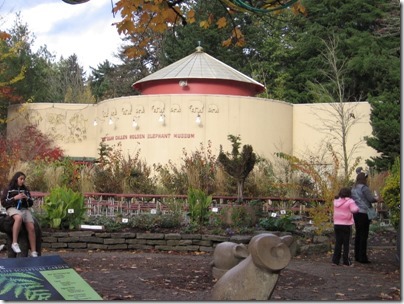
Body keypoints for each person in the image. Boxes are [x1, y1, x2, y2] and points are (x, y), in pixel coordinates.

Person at [1, 172, 38, 257]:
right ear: (16, 179)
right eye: (21, 179)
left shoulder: (25, 189)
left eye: (24, 179)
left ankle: (33, 251)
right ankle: (14, 243)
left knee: (31, 227)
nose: (22, 181)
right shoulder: (8, 189)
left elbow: (30, 203)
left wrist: (26, 198)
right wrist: (15, 198)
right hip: (12, 208)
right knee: (18, 218)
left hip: (24, 209)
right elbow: (3, 202)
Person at [351, 172, 378, 264]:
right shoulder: (364, 188)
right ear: (364, 179)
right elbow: (371, 199)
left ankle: (357, 256)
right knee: (364, 235)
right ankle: (363, 257)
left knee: (358, 234)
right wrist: (376, 198)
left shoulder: (353, 188)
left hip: (356, 213)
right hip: (364, 213)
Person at [332, 187, 359, 266]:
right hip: (346, 224)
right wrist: (357, 207)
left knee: (338, 243)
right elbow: (354, 210)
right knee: (346, 244)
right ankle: (346, 262)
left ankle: (335, 261)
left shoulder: (336, 201)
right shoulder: (350, 201)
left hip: (337, 224)